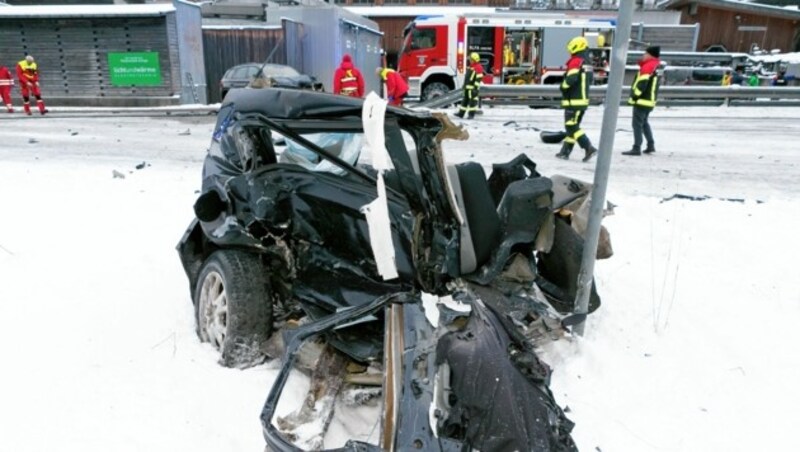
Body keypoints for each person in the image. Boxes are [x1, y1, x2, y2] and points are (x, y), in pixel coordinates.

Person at [555, 36, 598, 162]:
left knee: (571, 125)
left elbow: (571, 79)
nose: (569, 52)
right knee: (571, 127)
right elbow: (589, 80)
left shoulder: (576, 61)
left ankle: (588, 147)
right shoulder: (587, 62)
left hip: (573, 101)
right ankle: (565, 152)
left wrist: (563, 86)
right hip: (582, 100)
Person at [622, 45, 661, 156]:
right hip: (649, 101)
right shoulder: (655, 66)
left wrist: (635, 96)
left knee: (637, 124)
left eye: (645, 53)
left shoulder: (648, 67)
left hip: (642, 101)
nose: (643, 55)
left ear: (650, 55)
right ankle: (650, 145)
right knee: (644, 123)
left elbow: (642, 84)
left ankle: (636, 147)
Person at [455, 52, 484, 119]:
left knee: (472, 102)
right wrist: (464, 85)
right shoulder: (471, 67)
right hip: (467, 88)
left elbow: (478, 79)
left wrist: (475, 88)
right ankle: (461, 114)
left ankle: (471, 115)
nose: (470, 60)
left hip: (473, 89)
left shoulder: (478, 67)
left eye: (471, 59)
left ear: (474, 60)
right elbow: (467, 78)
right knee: (465, 101)